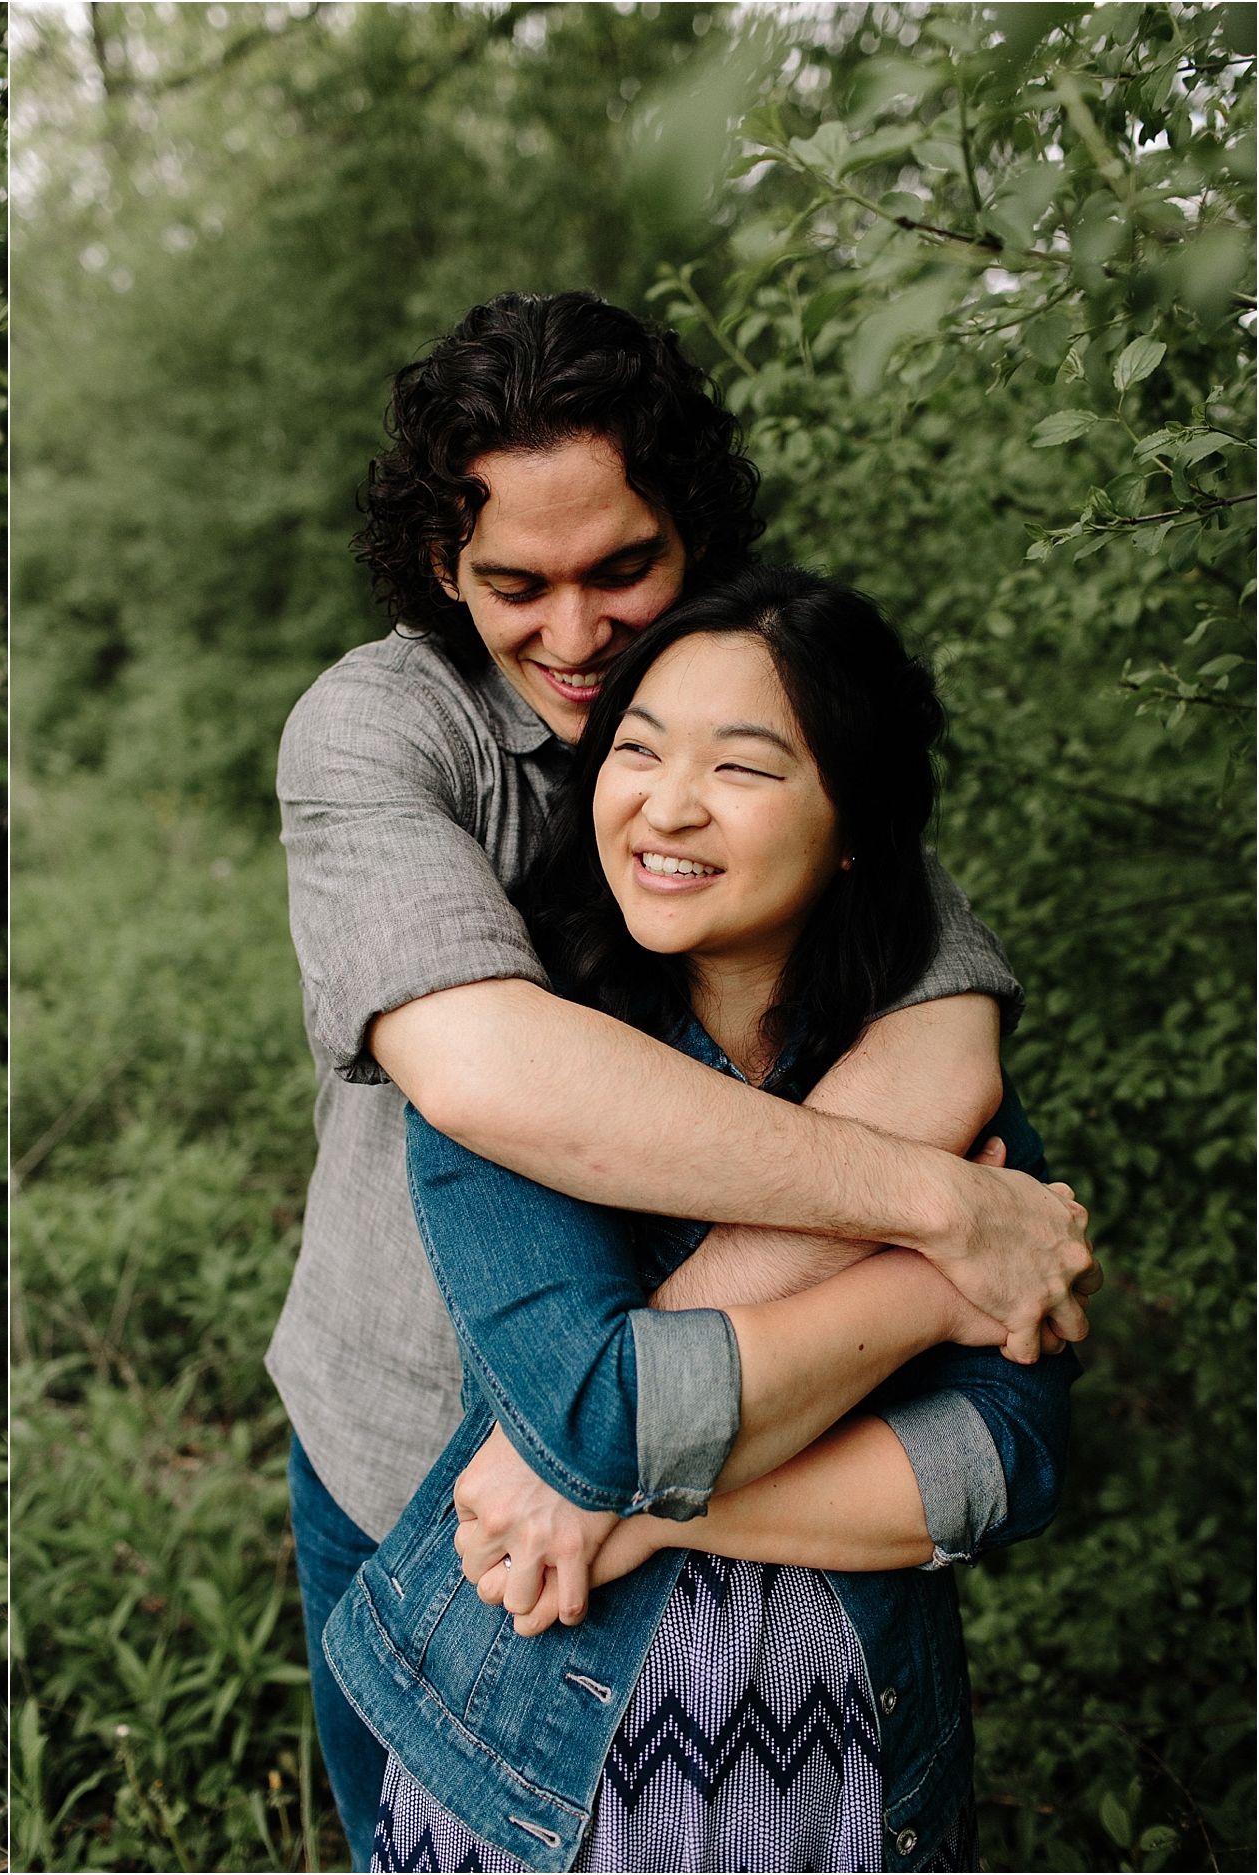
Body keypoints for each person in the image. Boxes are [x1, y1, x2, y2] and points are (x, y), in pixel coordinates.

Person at [270, 291, 1097, 1851]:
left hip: (782, 1569)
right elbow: (491, 1071)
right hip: (401, 1437)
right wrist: (942, 1237)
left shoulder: (776, 700)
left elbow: (943, 1028)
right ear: (444, 564)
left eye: (624, 570)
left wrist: (628, 1472)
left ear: (693, 533)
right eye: (516, 583)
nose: (577, 638)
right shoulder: (379, 731)